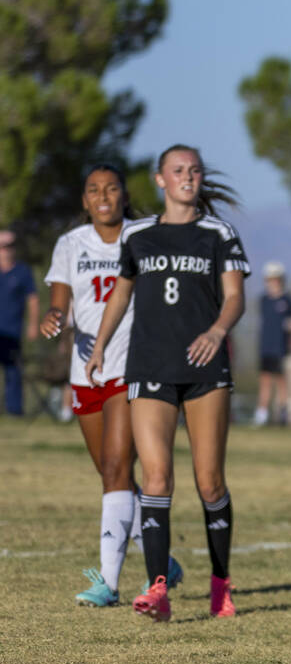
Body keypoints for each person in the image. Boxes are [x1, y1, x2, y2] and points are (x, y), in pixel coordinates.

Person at [86, 144, 250, 622]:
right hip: (149, 367)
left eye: (194, 170)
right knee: (156, 477)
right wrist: (99, 345)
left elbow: (236, 296)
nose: (187, 177)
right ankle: (158, 589)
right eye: (178, 171)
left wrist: (217, 331)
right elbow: (121, 294)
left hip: (205, 370)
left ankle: (221, 584)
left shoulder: (219, 232)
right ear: (160, 180)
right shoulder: (138, 235)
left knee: (209, 481)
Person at [40, 165, 182, 606]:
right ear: (85, 201)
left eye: (112, 188)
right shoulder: (70, 244)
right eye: (93, 190)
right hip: (86, 372)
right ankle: (167, 562)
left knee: (118, 468)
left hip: (131, 368)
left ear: (124, 195)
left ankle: (108, 582)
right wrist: (55, 316)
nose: (103, 196)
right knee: (110, 471)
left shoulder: (142, 234)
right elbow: (61, 298)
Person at [0, 228, 39, 415]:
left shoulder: (23, 271)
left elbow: (33, 299)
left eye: (10, 245)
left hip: (13, 331)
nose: (6, 249)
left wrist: (33, 324)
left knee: (13, 373)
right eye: (2, 246)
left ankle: (14, 411)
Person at [255, 260, 291, 427]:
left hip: (280, 347)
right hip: (266, 346)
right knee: (264, 380)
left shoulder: (287, 299)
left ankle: (282, 412)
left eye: (275, 278)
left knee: (280, 380)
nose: (273, 282)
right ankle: (262, 413)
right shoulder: (263, 300)